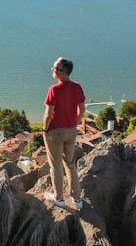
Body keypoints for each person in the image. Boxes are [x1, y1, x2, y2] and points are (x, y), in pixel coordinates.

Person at [43, 57, 85, 210]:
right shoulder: (77, 87)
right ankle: (77, 199)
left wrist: (44, 129)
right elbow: (82, 110)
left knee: (56, 166)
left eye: (56, 68)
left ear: (64, 72)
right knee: (70, 163)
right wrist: (75, 122)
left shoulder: (54, 90)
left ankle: (59, 198)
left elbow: (48, 114)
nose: (53, 70)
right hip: (71, 130)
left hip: (55, 132)